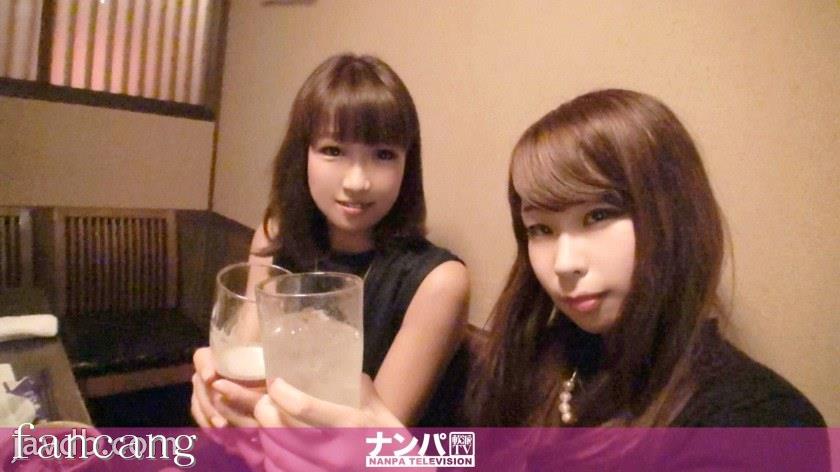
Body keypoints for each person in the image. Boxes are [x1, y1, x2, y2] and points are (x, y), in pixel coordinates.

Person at [254, 89, 825, 430]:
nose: (564, 262)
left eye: (599, 215)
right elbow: (457, 459)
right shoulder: (541, 361)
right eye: (541, 229)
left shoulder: (762, 421)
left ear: (676, 213)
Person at [191, 53, 469, 430]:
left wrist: (250, 413)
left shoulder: (438, 283)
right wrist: (215, 391)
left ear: (408, 165)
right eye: (333, 151)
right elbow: (244, 362)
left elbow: (367, 441)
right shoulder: (275, 238)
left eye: (383, 155)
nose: (357, 182)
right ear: (302, 154)